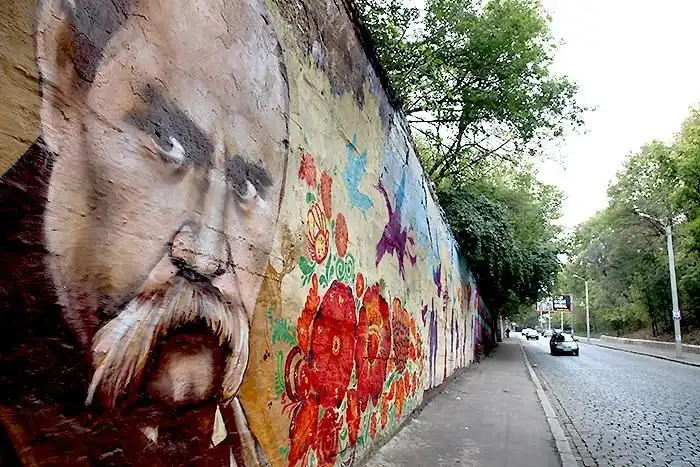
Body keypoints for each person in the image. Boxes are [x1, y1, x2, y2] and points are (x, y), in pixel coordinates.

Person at [0, 0, 289, 464]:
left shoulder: (232, 441)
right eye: (167, 142)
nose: (205, 256)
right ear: (65, 77)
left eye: (246, 186)